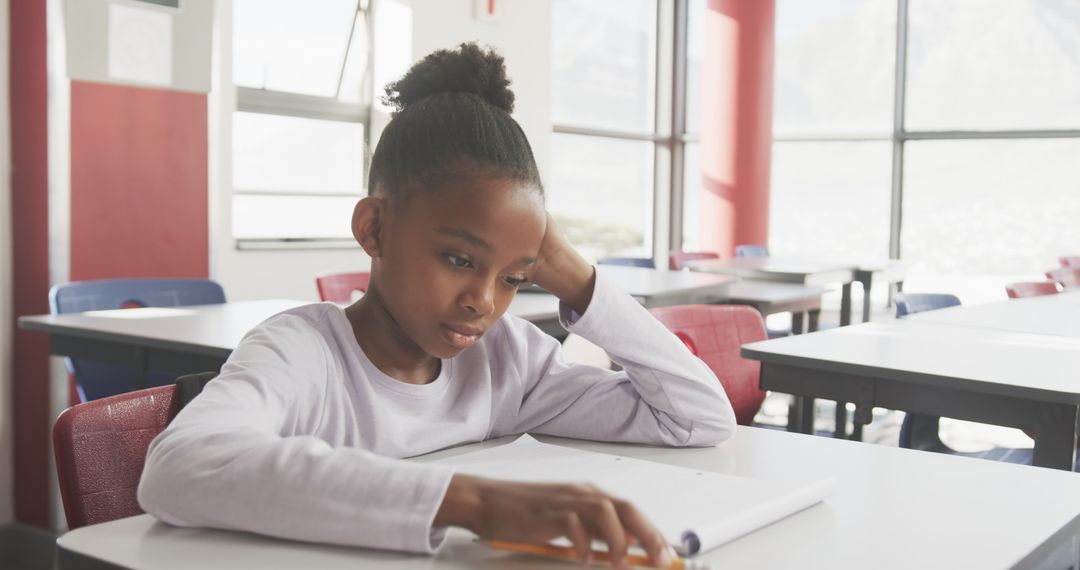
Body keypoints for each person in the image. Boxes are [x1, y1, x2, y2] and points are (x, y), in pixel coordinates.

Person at [138, 43, 735, 569]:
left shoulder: (507, 363)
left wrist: (576, 277)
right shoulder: (302, 351)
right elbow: (182, 467)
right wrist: (474, 502)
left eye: (513, 278)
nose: (482, 302)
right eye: (458, 260)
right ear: (374, 228)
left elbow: (697, 418)